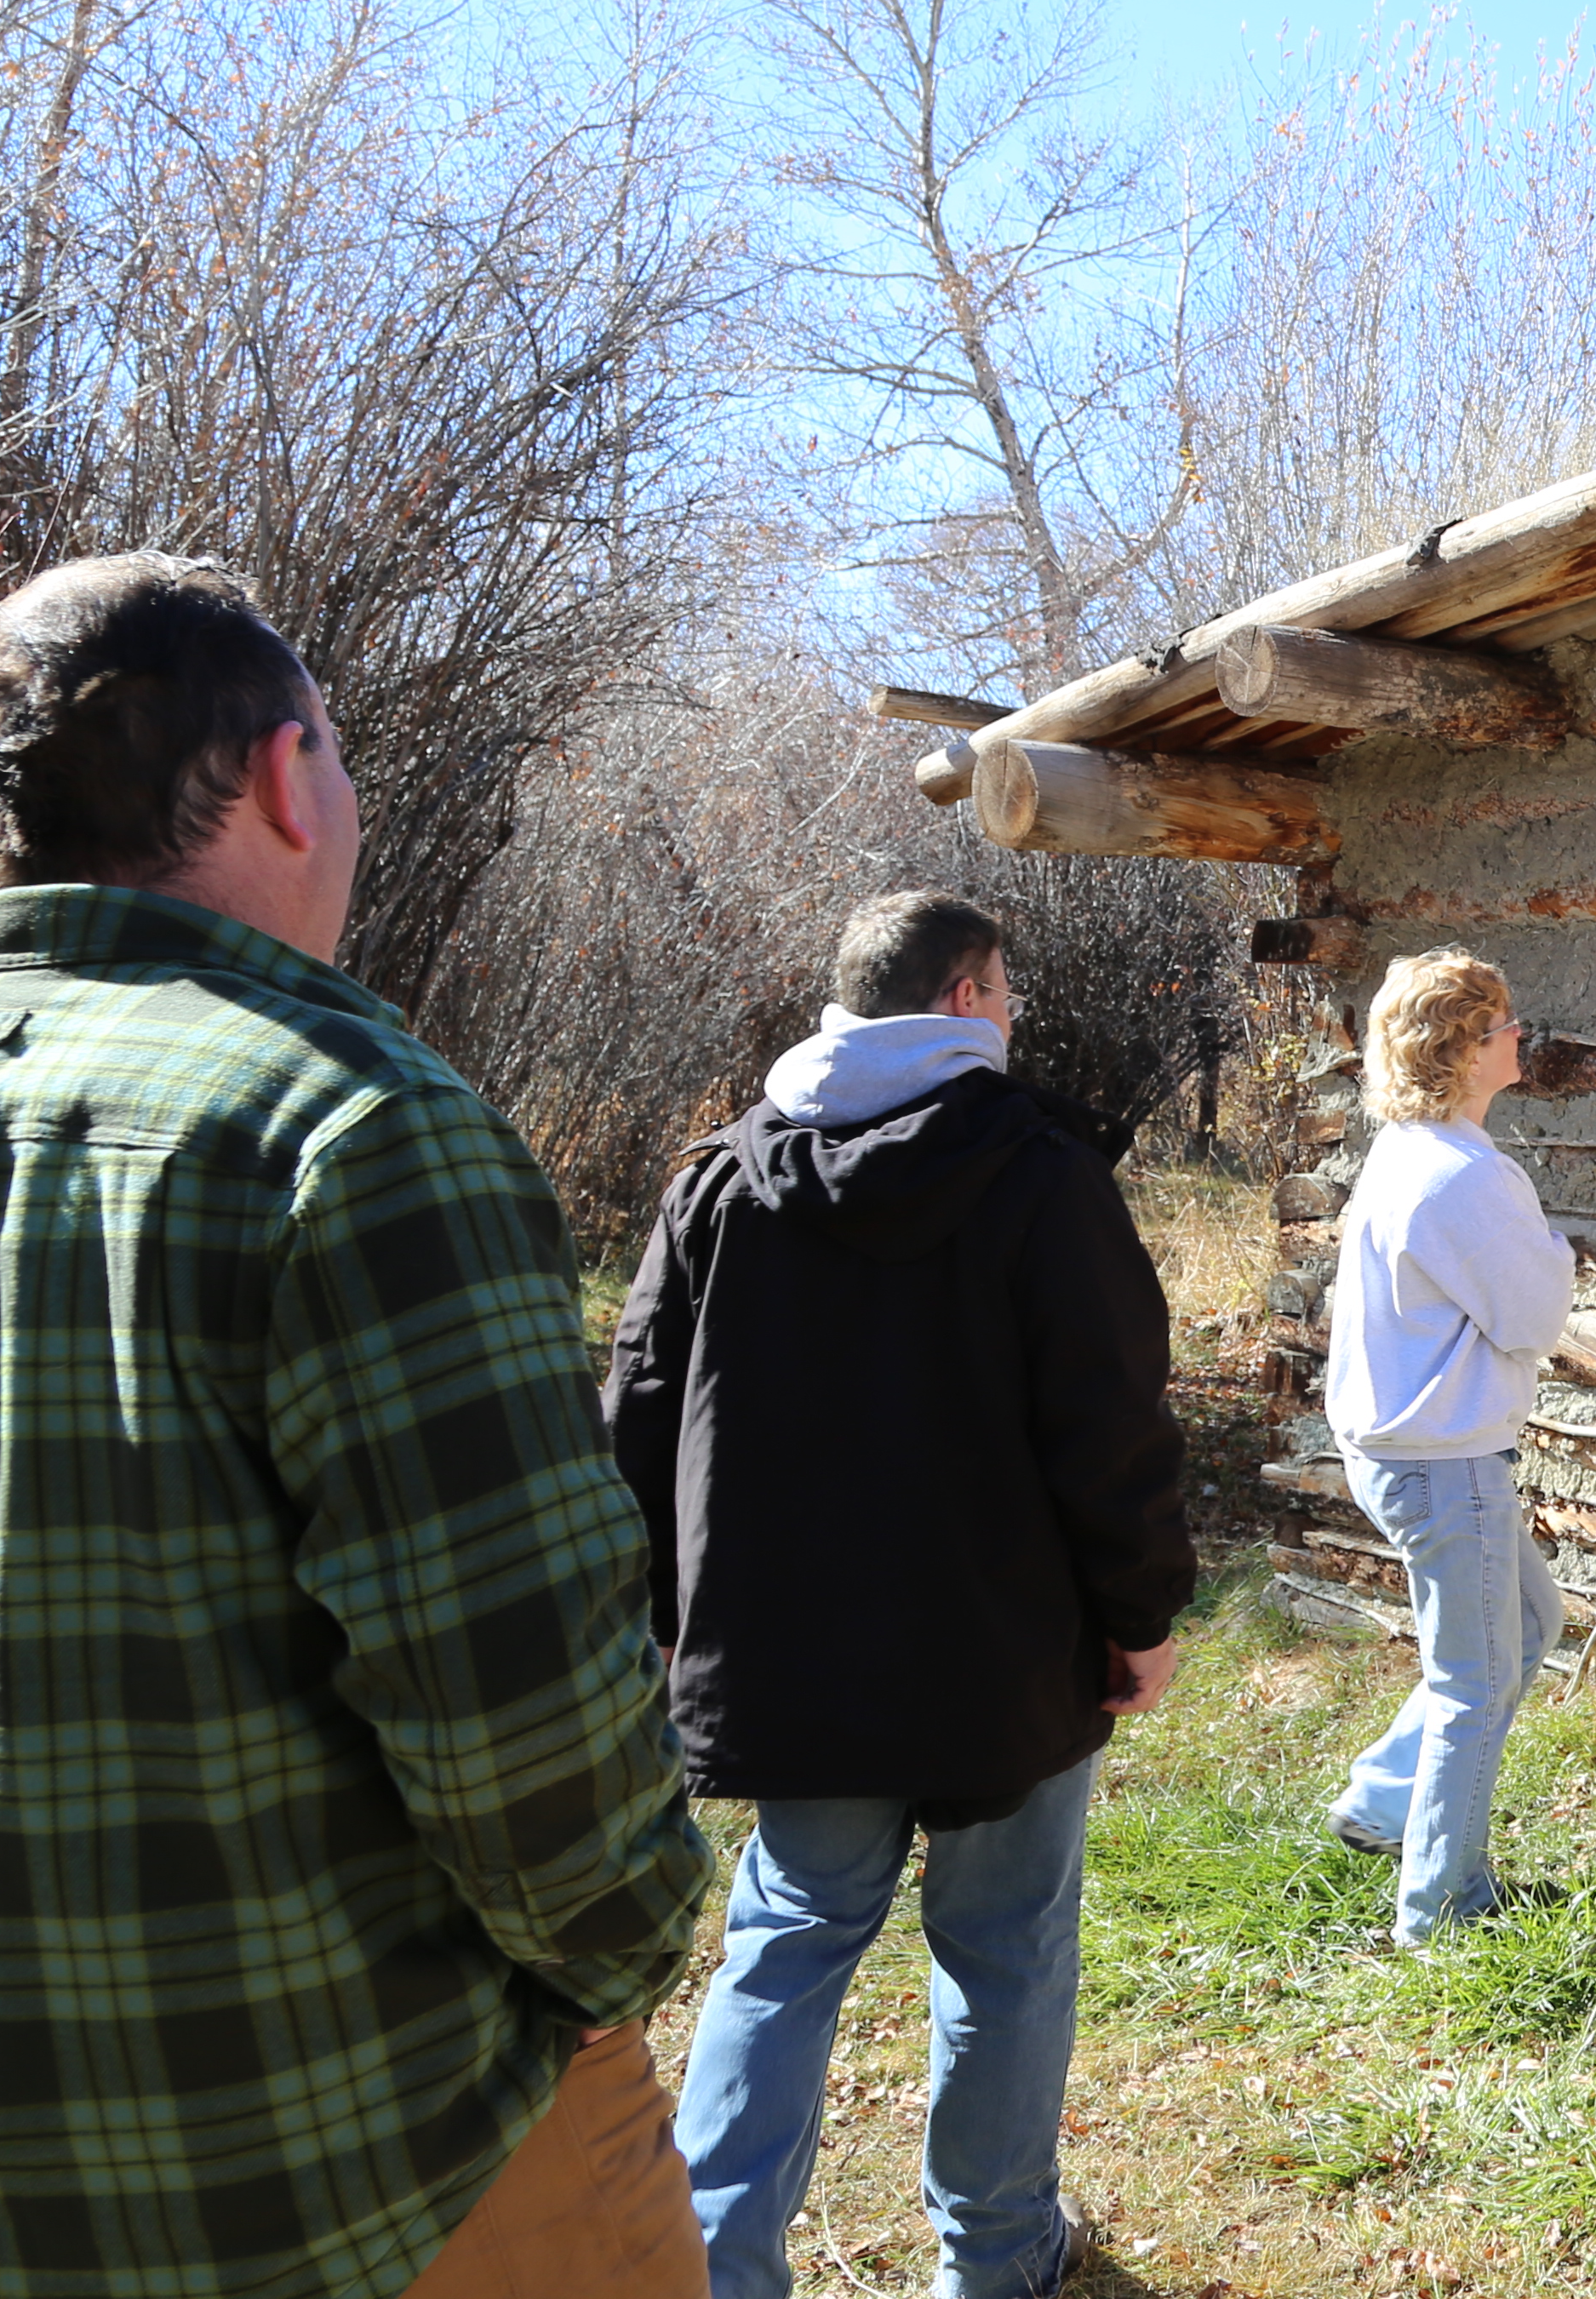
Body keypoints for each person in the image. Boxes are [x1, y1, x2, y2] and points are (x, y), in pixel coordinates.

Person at [0, 553, 713, 2299]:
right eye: (344, 772)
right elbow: (534, 1740)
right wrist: (632, 1950)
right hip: (387, 2182)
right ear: (288, 779)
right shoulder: (352, 1131)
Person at [609, 889, 1197, 2299]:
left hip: (789, 1648)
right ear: (965, 995)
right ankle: (995, 2260)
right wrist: (1141, 1611)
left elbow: (633, 1404)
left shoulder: (723, 1177)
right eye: (1000, 991)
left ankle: (715, 2267)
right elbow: (1106, 1414)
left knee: (785, 1938)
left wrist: (658, 1600)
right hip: (1002, 1652)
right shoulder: (1041, 1171)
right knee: (1004, 1948)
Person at [1320, 947, 1574, 1945]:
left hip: (1409, 1452)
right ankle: (1443, 1905)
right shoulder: (1461, 1178)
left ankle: (1383, 1802)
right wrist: (1557, 1253)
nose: (1517, 1035)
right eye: (1501, 1023)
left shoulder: (1412, 1151)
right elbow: (1532, 1317)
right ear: (1464, 1049)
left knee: (1528, 1621)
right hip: (1446, 1461)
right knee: (1475, 1685)